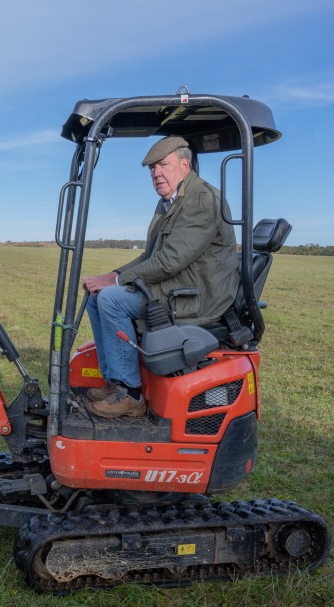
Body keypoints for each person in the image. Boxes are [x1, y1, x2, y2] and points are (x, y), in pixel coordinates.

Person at [82, 135, 239, 418]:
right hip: (176, 286)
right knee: (98, 298)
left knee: (111, 300)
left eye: (163, 165)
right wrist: (113, 274)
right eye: (152, 169)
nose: (156, 174)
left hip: (194, 295)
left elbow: (170, 260)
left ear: (184, 163)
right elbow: (150, 256)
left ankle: (130, 394)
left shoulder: (201, 199)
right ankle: (114, 382)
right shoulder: (169, 203)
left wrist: (117, 283)